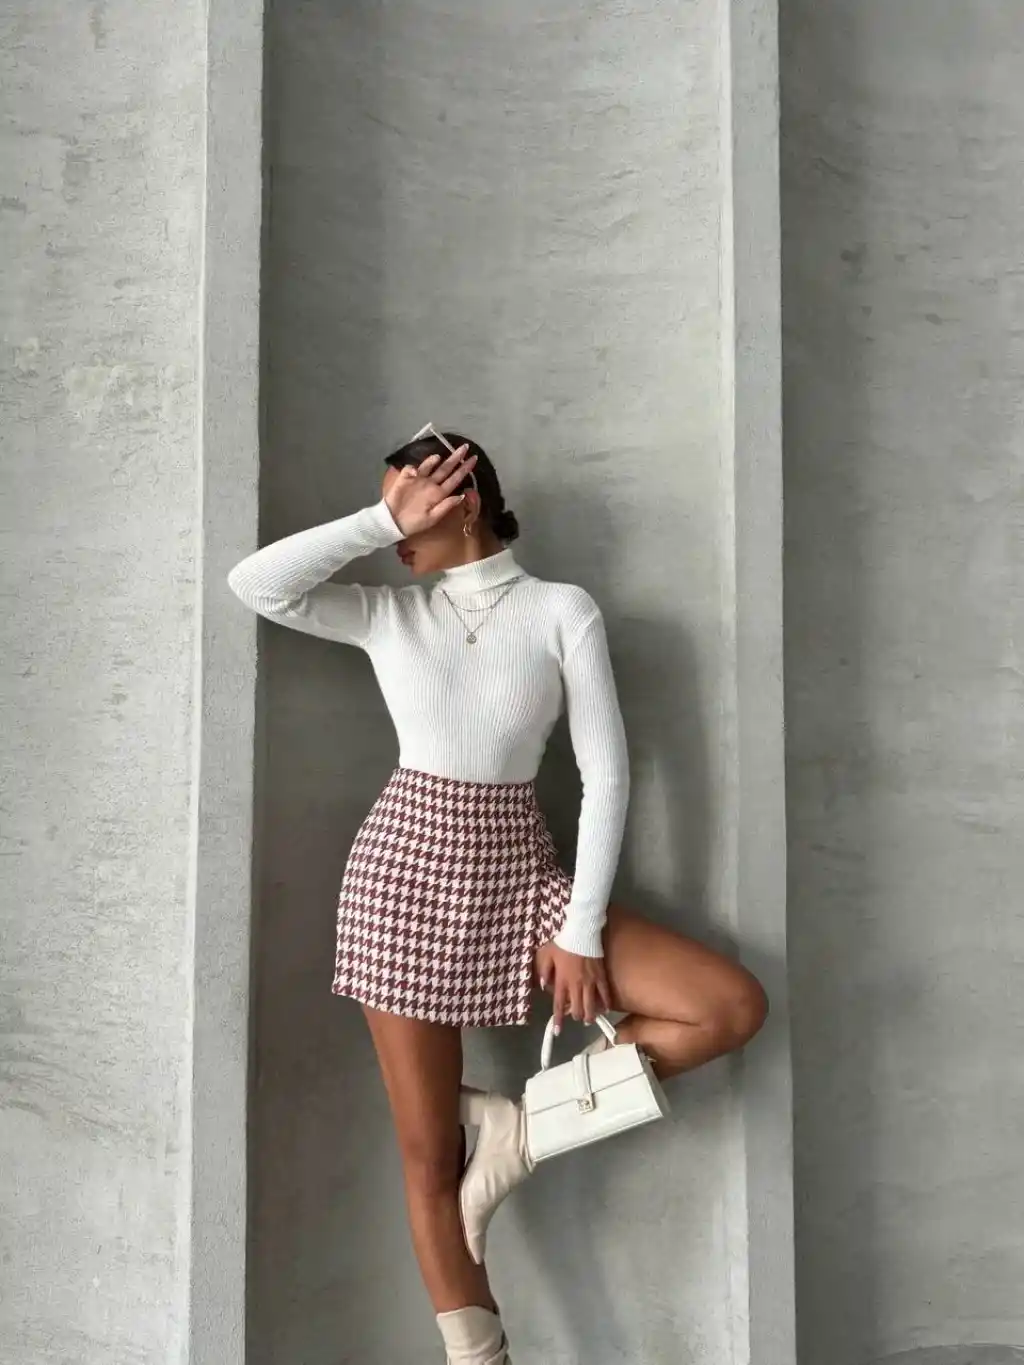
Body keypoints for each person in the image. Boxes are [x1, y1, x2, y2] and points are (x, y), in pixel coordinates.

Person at [228, 428, 768, 1365]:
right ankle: (482, 1358)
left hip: (522, 873)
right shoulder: (390, 614)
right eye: (392, 509)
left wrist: (581, 927)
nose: (399, 530)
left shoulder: (561, 609)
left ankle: (518, 1131)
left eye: (410, 505)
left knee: (728, 1006)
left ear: (464, 500)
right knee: (430, 1158)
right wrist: (376, 520)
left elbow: (607, 775)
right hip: (400, 881)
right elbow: (257, 585)